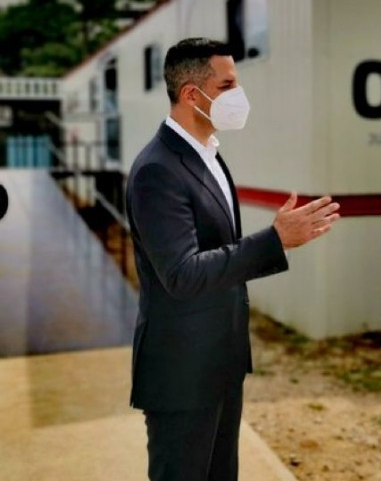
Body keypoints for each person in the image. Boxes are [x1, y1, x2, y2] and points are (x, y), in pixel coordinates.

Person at [125, 37, 340, 481]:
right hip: (182, 376)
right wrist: (274, 241)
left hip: (220, 363)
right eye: (228, 85)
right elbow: (181, 274)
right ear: (191, 94)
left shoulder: (209, 155)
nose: (238, 96)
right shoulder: (157, 170)